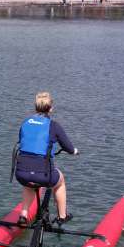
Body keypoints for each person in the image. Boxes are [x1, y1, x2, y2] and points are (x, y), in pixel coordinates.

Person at [13, 92, 78, 225]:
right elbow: (69, 147)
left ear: (36, 107)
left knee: (28, 183)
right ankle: (62, 216)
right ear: (50, 108)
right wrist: (74, 151)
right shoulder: (53, 125)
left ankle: (23, 215)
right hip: (43, 175)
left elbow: (23, 141)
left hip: (20, 174)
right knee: (60, 180)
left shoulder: (26, 122)